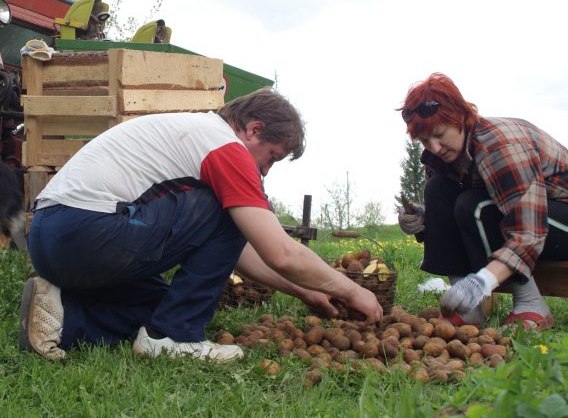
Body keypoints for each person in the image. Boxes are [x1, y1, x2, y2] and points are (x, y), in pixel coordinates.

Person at [20, 87, 383, 362]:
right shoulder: (225, 147)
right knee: (218, 227)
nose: (266, 170)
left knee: (162, 306)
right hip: (86, 231)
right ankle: (175, 337)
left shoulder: (198, 134)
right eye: (272, 157)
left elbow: (239, 251)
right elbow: (279, 252)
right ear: (253, 130)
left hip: (56, 238)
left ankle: (65, 315)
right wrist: (353, 291)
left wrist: (305, 291)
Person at [397, 73, 568, 330]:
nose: (435, 147)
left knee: (474, 205)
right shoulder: (440, 157)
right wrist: (424, 218)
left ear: (460, 118)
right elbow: (446, 210)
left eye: (440, 134)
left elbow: (528, 231)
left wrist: (483, 281)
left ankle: (531, 304)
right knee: (438, 189)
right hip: (524, 217)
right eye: (424, 141)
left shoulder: (500, 145)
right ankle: (466, 309)